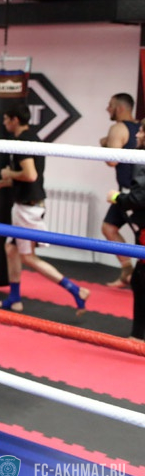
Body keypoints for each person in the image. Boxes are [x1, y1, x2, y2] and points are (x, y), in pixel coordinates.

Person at [0, 102, 90, 314]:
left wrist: (8, 174)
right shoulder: (32, 138)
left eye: (6, 119)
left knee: (27, 257)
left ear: (15, 119)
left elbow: (30, 175)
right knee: (11, 250)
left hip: (28, 208)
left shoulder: (23, 141)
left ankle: (76, 290)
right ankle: (14, 299)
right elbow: (28, 177)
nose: (4, 123)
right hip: (27, 204)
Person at [106, 117, 145, 340]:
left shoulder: (142, 158)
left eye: (142, 132)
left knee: (141, 280)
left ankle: (138, 337)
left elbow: (139, 198)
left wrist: (117, 197)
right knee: (139, 279)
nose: (137, 135)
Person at [99, 92, 139, 287]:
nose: (108, 109)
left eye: (110, 105)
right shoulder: (139, 127)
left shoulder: (117, 128)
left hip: (131, 195)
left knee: (141, 237)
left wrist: (105, 144)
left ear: (120, 108)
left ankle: (135, 276)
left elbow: (112, 160)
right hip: (129, 192)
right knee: (109, 228)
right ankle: (127, 272)